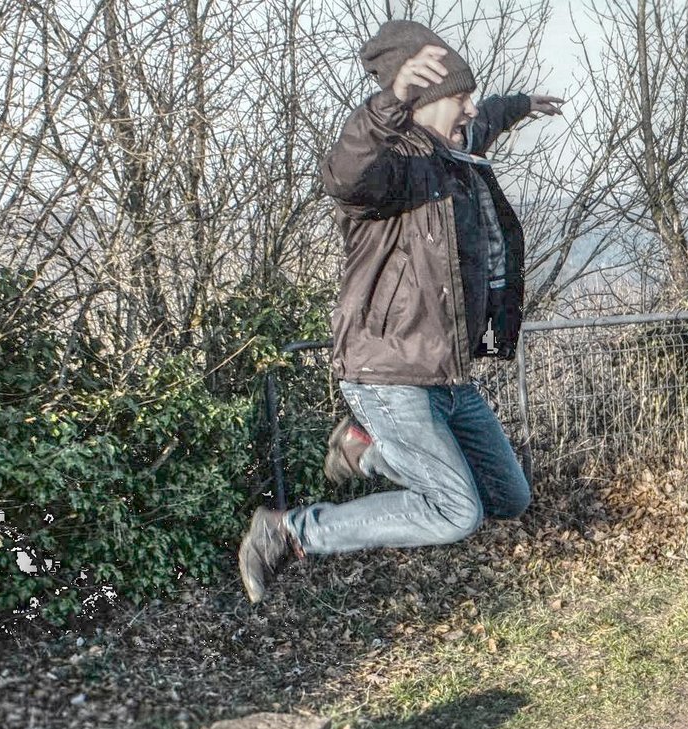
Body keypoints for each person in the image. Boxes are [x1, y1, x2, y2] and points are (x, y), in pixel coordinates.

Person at [238, 20, 564, 604]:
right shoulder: (390, 171)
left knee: (507, 497)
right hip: (389, 372)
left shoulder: (451, 158)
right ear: (422, 101)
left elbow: (481, 119)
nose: (470, 107)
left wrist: (517, 105)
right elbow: (345, 171)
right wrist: (388, 103)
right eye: (460, 96)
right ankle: (290, 531)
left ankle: (364, 450)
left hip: (446, 372)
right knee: (453, 512)